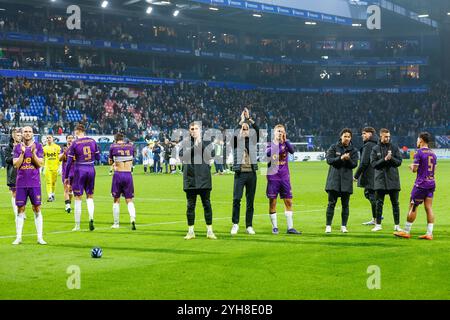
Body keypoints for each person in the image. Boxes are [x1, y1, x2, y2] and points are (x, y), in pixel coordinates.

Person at [394, 132, 436, 240]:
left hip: (421, 185)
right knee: (429, 207)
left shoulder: (419, 153)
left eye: (418, 139)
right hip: (431, 183)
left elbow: (415, 169)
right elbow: (433, 169)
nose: (417, 141)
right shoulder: (433, 153)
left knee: (413, 206)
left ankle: (406, 231)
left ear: (421, 140)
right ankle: (429, 233)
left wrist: (411, 166)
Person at [179, 122, 217, 240]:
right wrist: (194, 147)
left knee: (207, 204)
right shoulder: (185, 143)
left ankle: (209, 231)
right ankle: (191, 231)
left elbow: (212, 154)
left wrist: (200, 144)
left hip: (204, 178)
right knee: (190, 206)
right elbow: (182, 156)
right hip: (190, 179)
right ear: (189, 130)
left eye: (196, 128)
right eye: (192, 129)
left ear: (200, 130)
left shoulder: (206, 142)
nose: (194, 130)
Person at [12, 126, 46, 245]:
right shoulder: (17, 147)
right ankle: (18, 237)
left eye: (29, 132)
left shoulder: (39, 146)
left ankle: (40, 237)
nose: (27, 133)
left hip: (34, 183)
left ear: (33, 134)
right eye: (25, 131)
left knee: (37, 208)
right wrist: (22, 153)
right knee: (20, 209)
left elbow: (40, 164)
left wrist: (33, 154)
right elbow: (16, 165)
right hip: (21, 183)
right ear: (22, 133)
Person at [266, 124, 301, 235]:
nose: (280, 133)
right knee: (273, 202)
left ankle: (290, 227)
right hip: (273, 178)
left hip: (285, 177)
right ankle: (275, 227)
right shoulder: (270, 144)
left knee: (289, 201)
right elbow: (268, 153)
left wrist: (285, 141)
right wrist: (277, 142)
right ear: (274, 133)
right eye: (278, 131)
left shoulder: (286, 144)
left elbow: (292, 151)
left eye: (282, 131)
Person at [65, 124, 100, 231]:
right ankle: (91, 218)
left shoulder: (75, 143)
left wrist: (66, 176)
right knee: (90, 196)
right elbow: (98, 157)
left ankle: (77, 225)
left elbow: (69, 162)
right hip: (91, 168)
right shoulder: (93, 141)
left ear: (76, 131)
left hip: (79, 169)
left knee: (78, 198)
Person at [230, 108, 259, 235]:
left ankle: (249, 225)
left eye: (247, 129)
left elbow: (257, 130)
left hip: (252, 174)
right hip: (240, 174)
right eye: (244, 128)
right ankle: (235, 224)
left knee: (250, 201)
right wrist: (241, 122)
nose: (245, 130)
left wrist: (250, 119)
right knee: (237, 199)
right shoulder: (236, 142)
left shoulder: (252, 142)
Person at [325, 128, 359, 233]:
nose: (347, 138)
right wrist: (340, 159)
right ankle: (328, 226)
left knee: (345, 205)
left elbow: (354, 164)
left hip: (346, 181)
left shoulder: (353, 150)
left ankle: (344, 226)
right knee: (331, 204)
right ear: (341, 137)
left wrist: (348, 159)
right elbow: (329, 160)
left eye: (349, 137)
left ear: (351, 138)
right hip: (334, 180)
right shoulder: (333, 147)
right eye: (345, 136)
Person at [370, 128, 402, 232]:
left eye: (389, 136)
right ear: (381, 136)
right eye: (385, 136)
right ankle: (378, 225)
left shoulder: (394, 147)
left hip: (393, 180)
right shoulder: (375, 149)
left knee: (395, 203)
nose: (387, 138)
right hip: (380, 180)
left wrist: (391, 158)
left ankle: (397, 225)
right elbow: (373, 164)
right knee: (379, 203)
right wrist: (384, 159)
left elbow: (399, 162)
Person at [109, 133, 137, 230]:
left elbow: (110, 162)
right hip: (128, 174)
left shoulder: (113, 147)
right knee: (129, 199)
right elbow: (133, 158)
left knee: (116, 199)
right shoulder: (131, 146)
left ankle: (116, 223)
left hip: (118, 174)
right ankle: (132, 219)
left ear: (115, 139)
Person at [353, 127, 378, 226]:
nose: (362, 135)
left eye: (364, 133)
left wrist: (356, 176)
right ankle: (377, 215)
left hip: (370, 175)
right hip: (377, 174)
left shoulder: (368, 145)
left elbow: (363, 162)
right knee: (371, 194)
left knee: (370, 195)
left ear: (371, 134)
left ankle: (376, 218)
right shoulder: (378, 143)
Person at [5, 128, 22, 218]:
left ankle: (21, 209)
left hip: (24, 173)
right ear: (13, 135)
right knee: (14, 193)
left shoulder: (24, 146)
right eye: (16, 134)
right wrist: (16, 157)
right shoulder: (8, 148)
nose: (18, 136)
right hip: (13, 173)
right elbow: (7, 160)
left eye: (19, 135)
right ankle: (17, 213)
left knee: (24, 194)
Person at [59, 134, 75, 213]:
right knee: (66, 188)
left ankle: (69, 203)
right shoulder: (63, 149)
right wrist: (64, 153)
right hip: (65, 172)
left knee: (71, 190)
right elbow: (59, 158)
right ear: (66, 140)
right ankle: (67, 206)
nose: (70, 139)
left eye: (71, 138)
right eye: (68, 138)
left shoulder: (76, 148)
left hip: (75, 172)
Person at [43, 134, 61, 202]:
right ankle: (50, 196)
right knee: (48, 182)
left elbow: (60, 158)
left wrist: (60, 167)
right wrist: (42, 167)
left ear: (53, 139)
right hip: (48, 168)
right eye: (47, 138)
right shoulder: (44, 148)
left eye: (49, 137)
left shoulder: (57, 147)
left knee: (53, 182)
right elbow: (43, 158)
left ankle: (52, 194)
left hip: (55, 167)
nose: (48, 139)